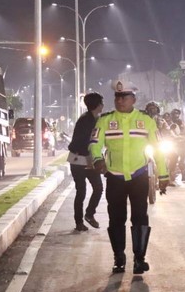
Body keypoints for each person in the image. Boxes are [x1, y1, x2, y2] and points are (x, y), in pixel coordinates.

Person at [90, 80, 170, 275]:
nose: (120, 100)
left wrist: (164, 173)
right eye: (117, 97)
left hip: (139, 176)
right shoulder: (104, 120)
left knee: (140, 217)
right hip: (114, 177)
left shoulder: (146, 121)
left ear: (133, 99)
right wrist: (98, 159)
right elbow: (94, 144)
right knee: (116, 219)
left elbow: (159, 148)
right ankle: (119, 258)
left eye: (124, 97)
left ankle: (139, 259)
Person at [67, 92, 104, 232]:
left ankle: (89, 214)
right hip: (79, 160)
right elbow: (82, 142)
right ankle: (79, 222)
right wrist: (91, 159)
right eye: (101, 103)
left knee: (98, 188)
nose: (103, 106)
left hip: (88, 159)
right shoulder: (86, 120)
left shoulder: (96, 119)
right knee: (81, 191)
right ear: (97, 105)